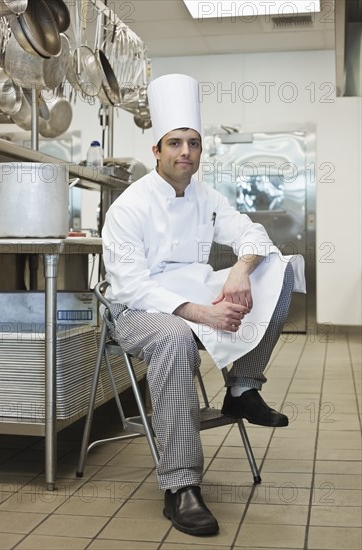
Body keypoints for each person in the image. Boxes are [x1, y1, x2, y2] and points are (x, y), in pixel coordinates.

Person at [102, 74, 305, 537]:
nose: (185, 152)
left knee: (281, 267)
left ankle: (242, 388)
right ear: (157, 150)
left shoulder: (205, 195)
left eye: (193, 143)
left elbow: (252, 234)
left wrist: (239, 269)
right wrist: (200, 313)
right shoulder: (128, 208)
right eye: (175, 143)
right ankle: (181, 486)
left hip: (194, 296)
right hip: (136, 312)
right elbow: (132, 287)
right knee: (174, 337)